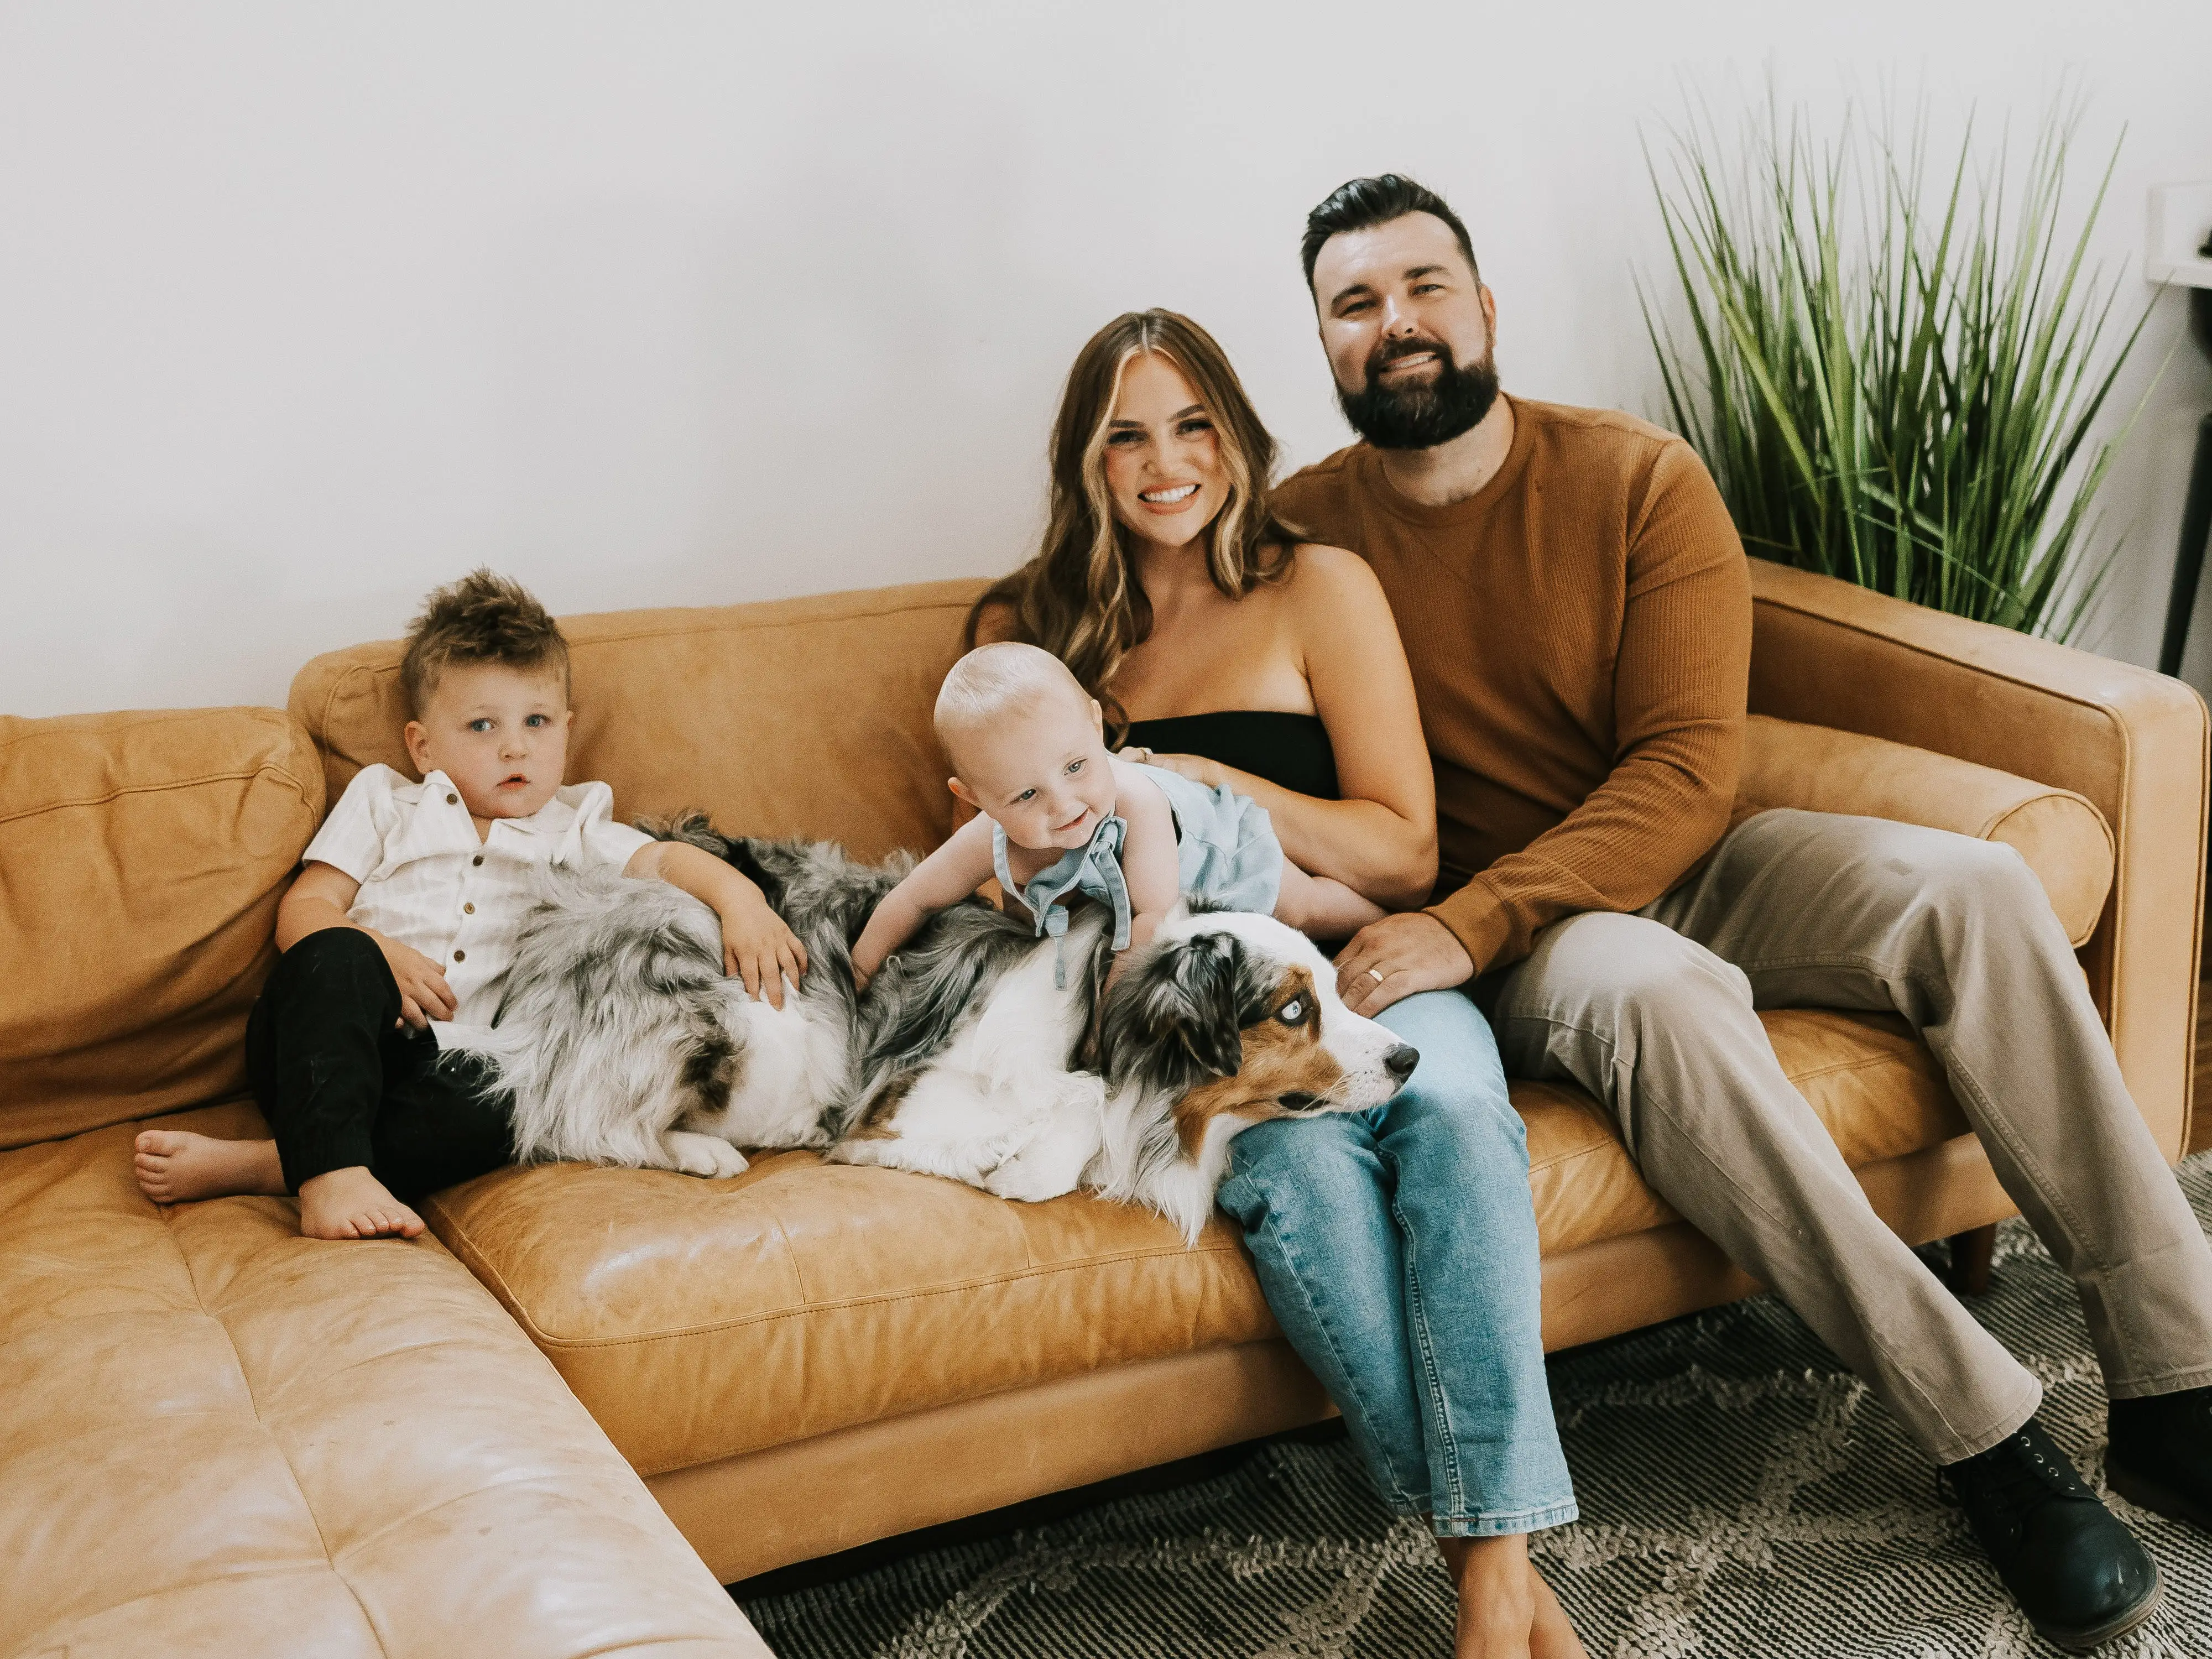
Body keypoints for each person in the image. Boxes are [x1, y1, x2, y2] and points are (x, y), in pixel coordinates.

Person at [1285, 171, 2212, 1651]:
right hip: (1526, 937)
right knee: (1656, 986)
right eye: (1355, 303)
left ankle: (2178, 1380)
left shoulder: (1638, 481)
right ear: (1323, 343)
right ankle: (1988, 1438)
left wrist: (1480, 911)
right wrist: (1461, 922)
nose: (1395, 324)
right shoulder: (1296, 543)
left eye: (1423, 288)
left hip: (1674, 855)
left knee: (1975, 884)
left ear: (1485, 307)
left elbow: (1688, 774)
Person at [973, 309, 1588, 1659]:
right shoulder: (1029, 637)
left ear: (1235, 436)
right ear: (1085, 460)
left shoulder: (1319, 586)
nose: (1163, 462)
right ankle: (1502, 1580)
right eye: (1124, 435)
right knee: (1303, 1179)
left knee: (1457, 1118)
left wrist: (1193, 784)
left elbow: (1402, 843)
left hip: (1366, 955)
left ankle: (1490, 1592)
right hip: (1202, 1027)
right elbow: (996, 863)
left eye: (1192, 425)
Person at [131, 568, 805, 1240]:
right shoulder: (387, 801)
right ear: (422, 746)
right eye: (482, 725)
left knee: (517, 1108)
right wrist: (375, 953)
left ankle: (283, 1166)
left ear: (567, 731)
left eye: (537, 722)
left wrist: (742, 899)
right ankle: (331, 1174)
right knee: (331, 954)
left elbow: (662, 859)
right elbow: (307, 905)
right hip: (329, 1040)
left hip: (459, 1061)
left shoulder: (576, 825)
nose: (516, 746)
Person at [849, 641, 1383, 989]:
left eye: (1078, 766)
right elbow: (915, 897)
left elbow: (1149, 920)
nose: (1065, 806)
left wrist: (1109, 1020)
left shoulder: (1136, 803)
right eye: (1026, 796)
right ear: (976, 798)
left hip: (1213, 848)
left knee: (1304, 907)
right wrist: (858, 973)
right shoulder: (989, 834)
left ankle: (1388, 921)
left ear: (1095, 725)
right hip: (1161, 898)